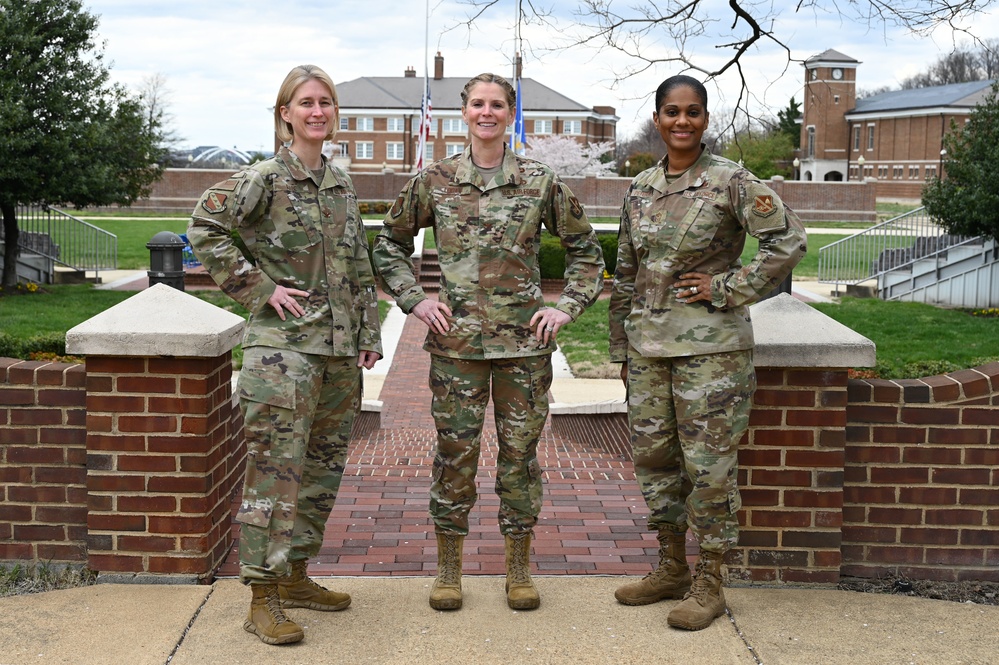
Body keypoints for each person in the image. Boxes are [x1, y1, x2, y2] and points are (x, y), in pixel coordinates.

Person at [372, 73, 604, 612]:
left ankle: (517, 570)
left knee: (519, 458)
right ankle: (449, 571)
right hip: (457, 350)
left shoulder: (539, 180)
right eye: (477, 103)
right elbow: (388, 243)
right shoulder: (435, 180)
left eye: (497, 104)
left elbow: (586, 249)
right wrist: (415, 300)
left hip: (524, 349)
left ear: (510, 113)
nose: (487, 112)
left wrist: (565, 305)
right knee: (454, 456)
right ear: (464, 111)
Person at [187, 64, 382, 645]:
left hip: (337, 356)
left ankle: (296, 575)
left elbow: (358, 264)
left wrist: (367, 333)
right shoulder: (264, 178)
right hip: (283, 356)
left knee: (321, 475)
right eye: (306, 103)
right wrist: (260, 289)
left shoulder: (340, 182)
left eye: (325, 102)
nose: (317, 111)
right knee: (274, 476)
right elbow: (204, 227)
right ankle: (261, 596)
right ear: (285, 114)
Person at [609, 75, 806, 631]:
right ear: (657, 117)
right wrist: (619, 348)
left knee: (708, 468)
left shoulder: (731, 180)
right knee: (654, 462)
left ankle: (710, 580)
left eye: (693, 112)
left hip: (711, 353)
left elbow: (788, 242)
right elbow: (626, 272)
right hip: (648, 349)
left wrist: (724, 288)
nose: (682, 122)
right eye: (671, 112)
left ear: (705, 119)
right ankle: (671, 566)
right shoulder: (641, 186)